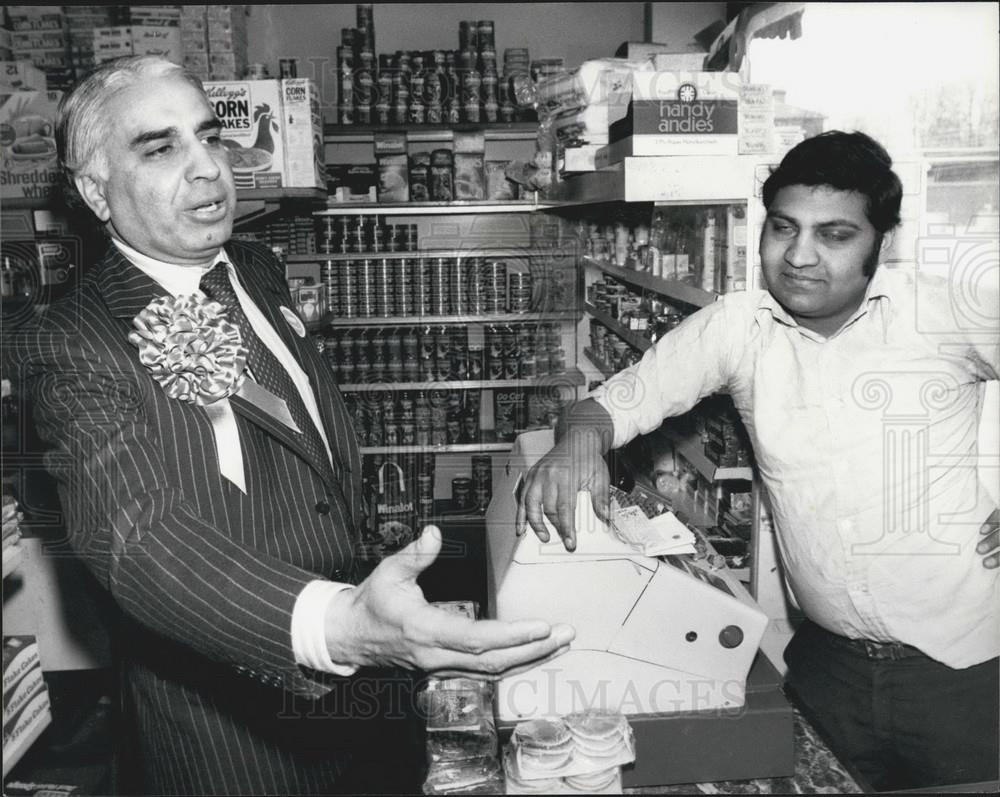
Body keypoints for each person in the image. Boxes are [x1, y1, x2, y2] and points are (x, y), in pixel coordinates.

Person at [4, 56, 574, 795]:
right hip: (236, 742)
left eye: (209, 136)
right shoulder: (74, 340)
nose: (208, 167)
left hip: (372, 711)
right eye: (161, 147)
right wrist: (338, 624)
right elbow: (134, 536)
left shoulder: (254, 265)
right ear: (93, 190)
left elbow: (300, 449)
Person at [517, 130, 999, 791]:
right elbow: (612, 404)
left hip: (964, 670)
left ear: (880, 242)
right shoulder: (739, 327)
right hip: (828, 668)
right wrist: (578, 444)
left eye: (834, 234)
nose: (799, 255)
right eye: (783, 227)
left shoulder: (941, 311)